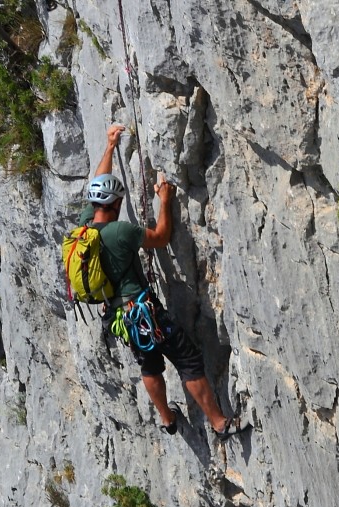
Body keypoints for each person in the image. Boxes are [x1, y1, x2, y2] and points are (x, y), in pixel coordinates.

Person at [81, 124, 250, 441]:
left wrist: (109, 147)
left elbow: (97, 185)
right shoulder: (122, 232)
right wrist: (165, 200)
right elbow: (161, 237)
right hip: (145, 313)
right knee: (187, 359)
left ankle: (167, 418)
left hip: (120, 318)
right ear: (117, 203)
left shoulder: (84, 229)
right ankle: (218, 422)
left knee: (149, 365)